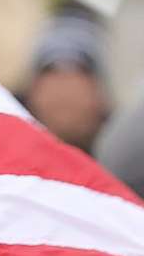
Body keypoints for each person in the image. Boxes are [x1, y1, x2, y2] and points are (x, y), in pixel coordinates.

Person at [21, 11, 114, 152]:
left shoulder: (124, 159)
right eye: (52, 69)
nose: (64, 88)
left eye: (79, 69)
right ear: (33, 89)